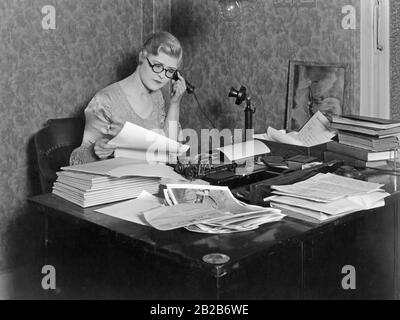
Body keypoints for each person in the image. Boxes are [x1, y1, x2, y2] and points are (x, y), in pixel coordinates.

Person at [70, 31, 187, 165]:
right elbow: (78, 161)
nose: (162, 76)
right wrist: (95, 150)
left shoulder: (157, 97)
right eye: (158, 66)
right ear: (142, 57)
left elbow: (168, 148)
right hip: (116, 182)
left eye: (170, 71)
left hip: (150, 179)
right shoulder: (105, 99)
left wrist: (175, 103)